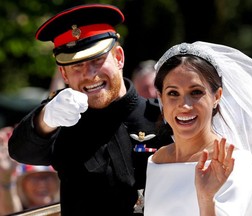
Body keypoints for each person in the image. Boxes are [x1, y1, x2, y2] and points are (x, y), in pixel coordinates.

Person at [8, 3, 172, 216]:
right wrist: (46, 118)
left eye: (97, 60)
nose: (89, 74)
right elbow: (21, 150)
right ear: (64, 75)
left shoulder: (162, 117)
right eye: (76, 66)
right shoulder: (62, 122)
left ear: (119, 58)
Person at [144, 41, 252, 216]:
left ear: (217, 96)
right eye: (173, 93)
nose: (185, 105)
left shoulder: (234, 163)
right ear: (161, 98)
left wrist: (206, 200)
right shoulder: (157, 160)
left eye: (196, 92)